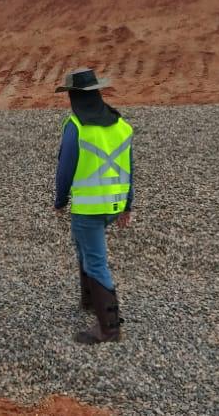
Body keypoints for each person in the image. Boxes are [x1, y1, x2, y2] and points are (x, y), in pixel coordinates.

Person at [53, 68, 133, 346]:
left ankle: (109, 329)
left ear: (74, 96)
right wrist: (127, 206)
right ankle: (90, 302)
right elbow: (128, 166)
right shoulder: (121, 125)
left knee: (95, 260)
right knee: (85, 248)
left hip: (88, 208)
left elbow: (65, 169)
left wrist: (60, 200)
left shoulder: (75, 126)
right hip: (114, 204)